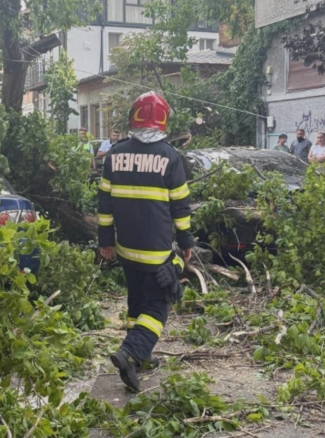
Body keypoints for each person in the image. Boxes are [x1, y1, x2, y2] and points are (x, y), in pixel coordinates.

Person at [98, 91, 194, 392]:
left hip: (126, 249)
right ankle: (131, 352)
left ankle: (141, 358)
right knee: (158, 305)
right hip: (156, 252)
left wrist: (105, 242)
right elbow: (180, 207)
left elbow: (104, 205)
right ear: (163, 121)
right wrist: (186, 241)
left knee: (137, 301)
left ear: (133, 117)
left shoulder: (114, 155)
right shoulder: (170, 157)